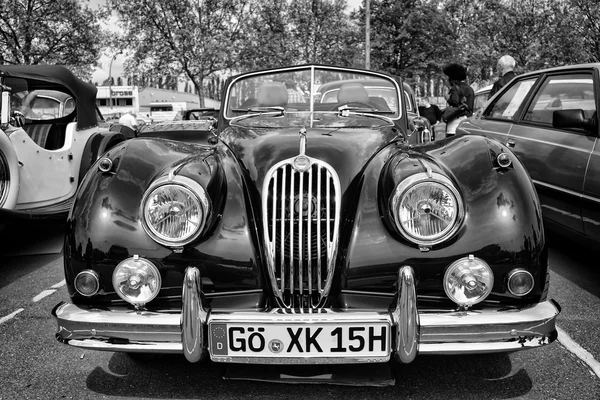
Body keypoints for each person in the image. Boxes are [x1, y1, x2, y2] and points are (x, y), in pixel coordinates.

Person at [442, 63, 475, 137]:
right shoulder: (470, 89)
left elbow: (454, 102)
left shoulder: (455, 88)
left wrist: (447, 97)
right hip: (466, 122)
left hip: (455, 122)